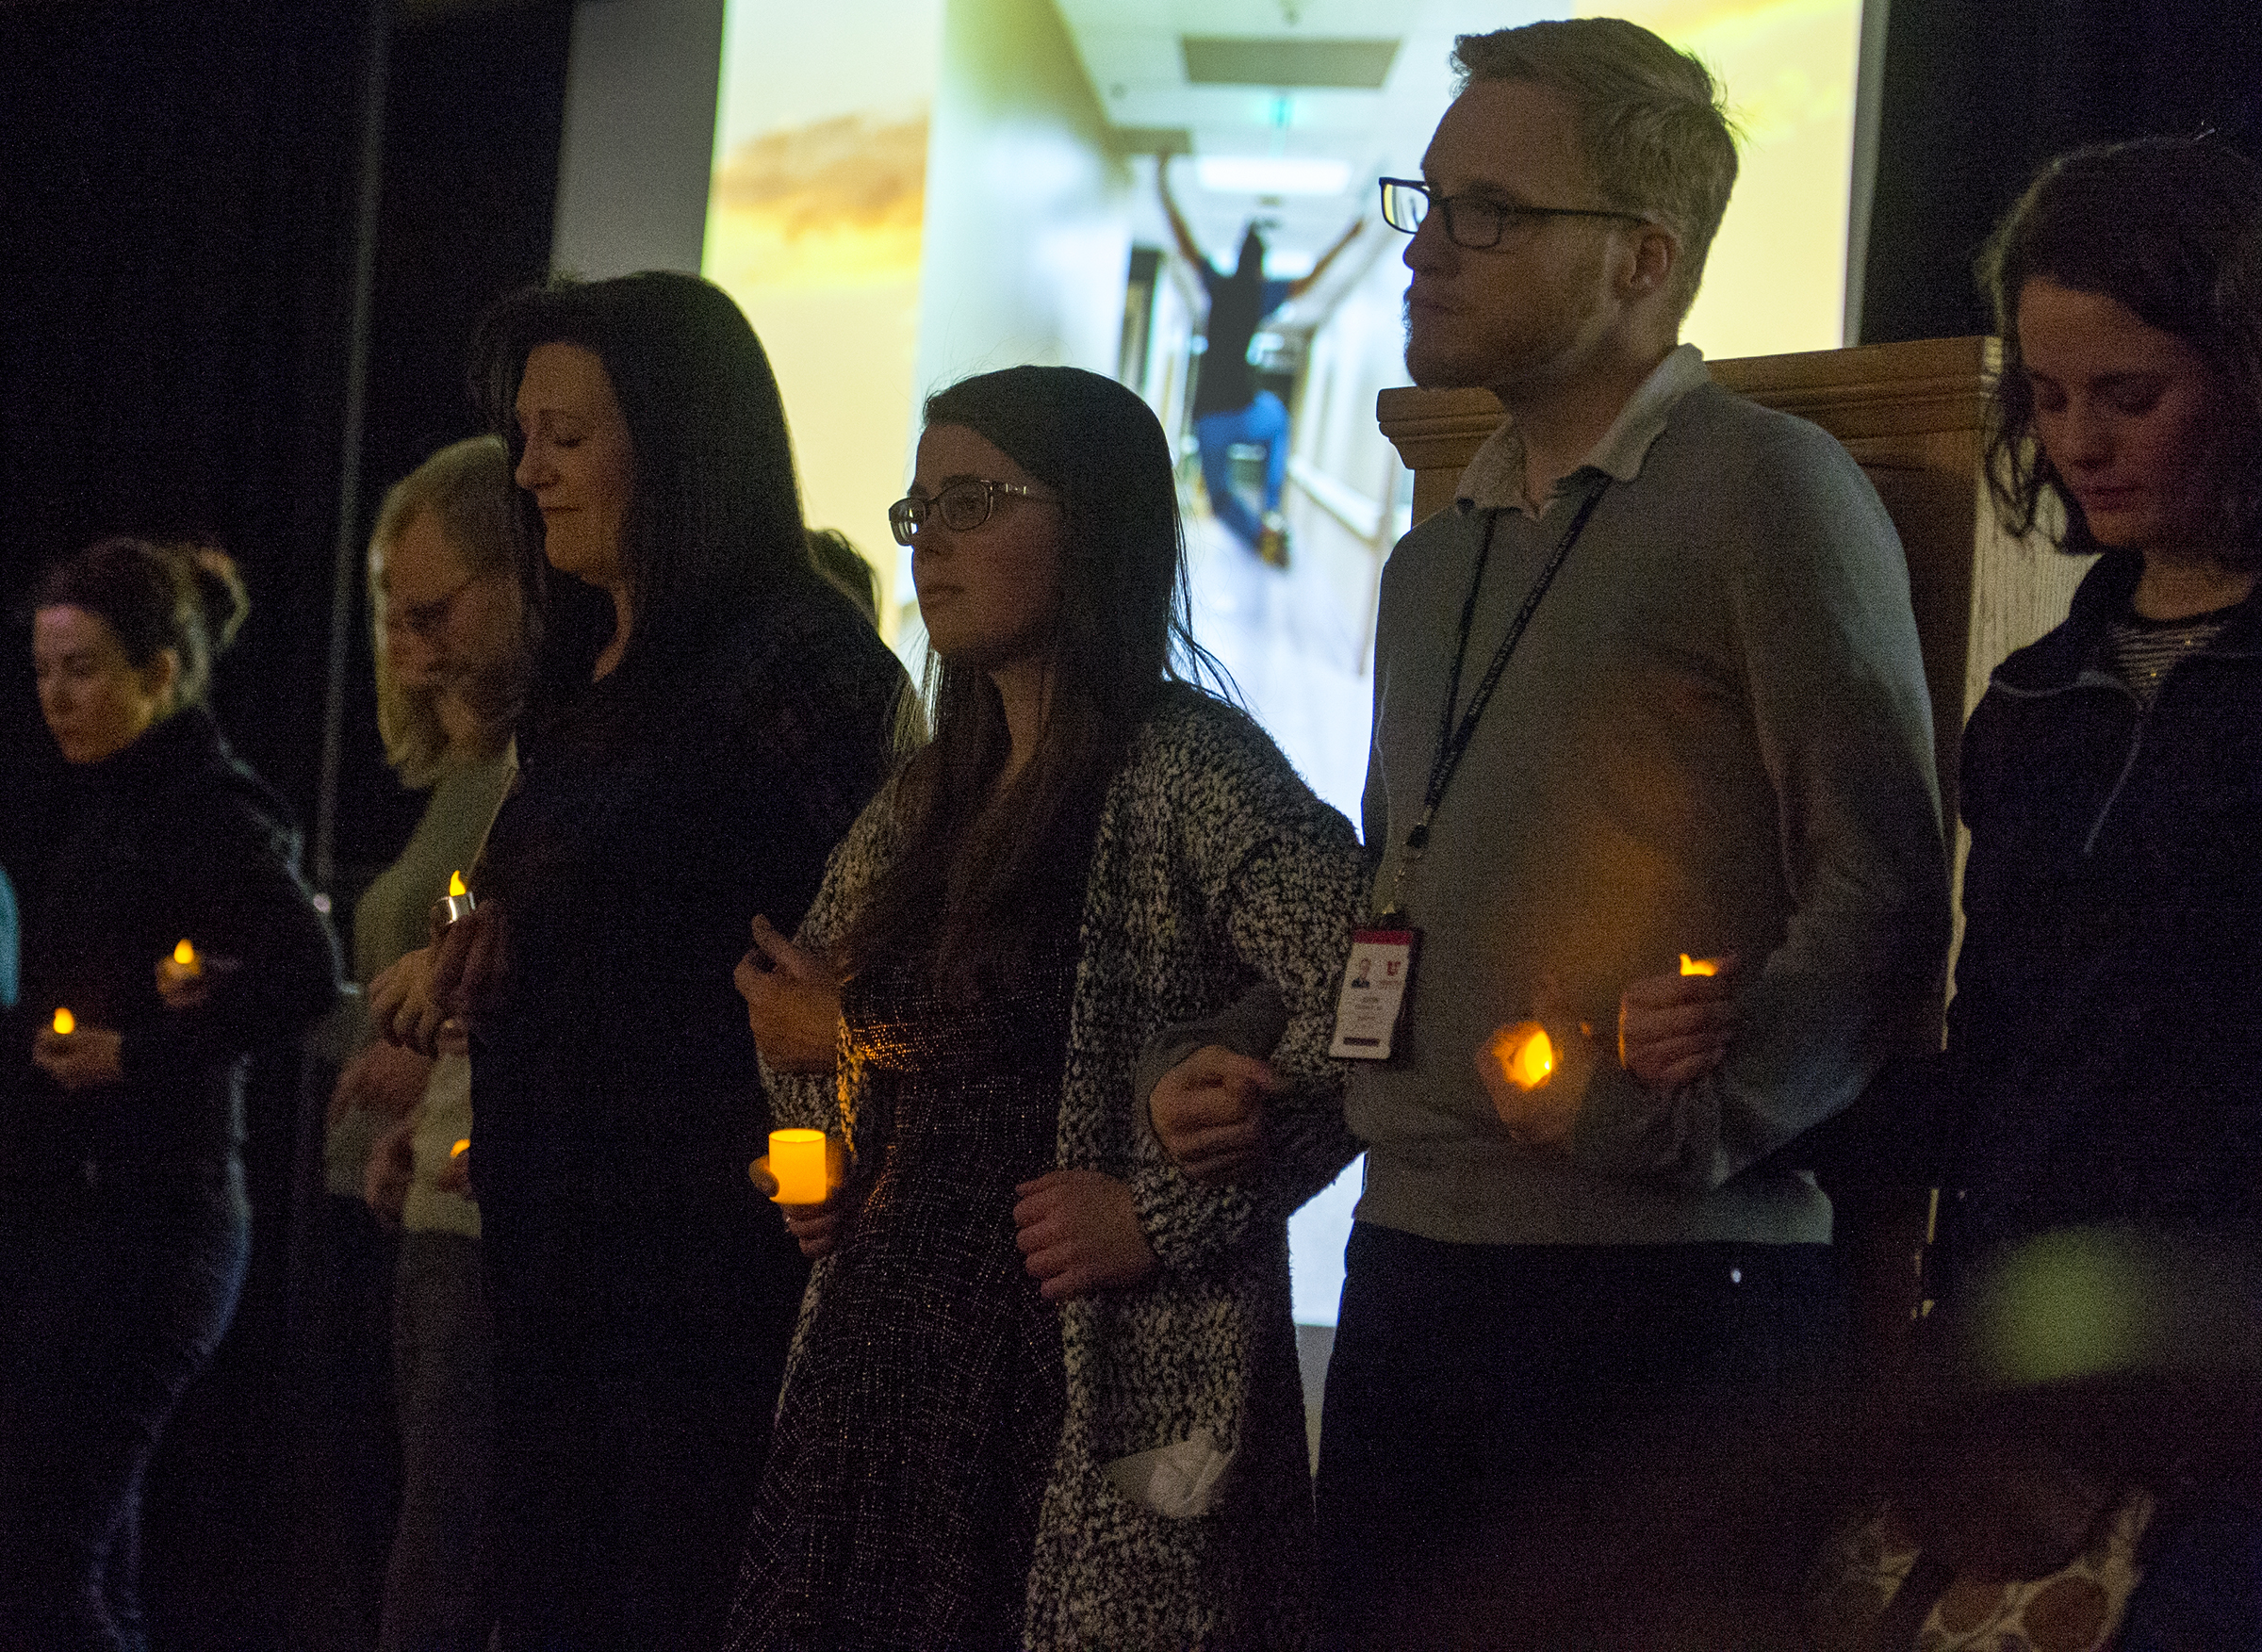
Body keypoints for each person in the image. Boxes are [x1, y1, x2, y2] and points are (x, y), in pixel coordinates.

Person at [1153, 19, 1949, 1644]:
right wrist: (1253, 1044)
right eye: (1427, 203)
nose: (1428, 250)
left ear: (1642, 257)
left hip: (1668, 1298)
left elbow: (1878, 878)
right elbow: (1406, 884)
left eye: (1488, 214)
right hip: (1414, 1258)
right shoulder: (1434, 554)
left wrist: (1703, 1117)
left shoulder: (1764, 490)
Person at [723, 365, 1367, 1649]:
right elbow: (809, 1017)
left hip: (1074, 1369)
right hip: (887, 1356)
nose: (933, 545)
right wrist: (823, 1138)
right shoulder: (923, 800)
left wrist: (1167, 1209)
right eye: (919, 513)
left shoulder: (1188, 767)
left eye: (975, 501)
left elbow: (1375, 992)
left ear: (1095, 524)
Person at [370, 271, 908, 1651]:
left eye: (564, 435)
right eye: (522, 433)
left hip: (712, 1277)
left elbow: (888, 946)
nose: (528, 471)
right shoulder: (581, 665)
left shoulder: (804, 663)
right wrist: (485, 945)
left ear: (675, 444)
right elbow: (590, 899)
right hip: (556, 1260)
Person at [1799, 134, 2262, 1650]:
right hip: (2027, 1373)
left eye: (2131, 396)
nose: (2081, 440)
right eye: (2050, 399)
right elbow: (2006, 1052)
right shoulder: (2039, 702)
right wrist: (1752, 1084)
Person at [0, 536, 340, 1652]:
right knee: (93, 1564)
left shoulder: (205, 804)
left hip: (157, 1222)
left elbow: (299, 970)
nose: (56, 695)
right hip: (95, 1215)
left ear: (160, 673)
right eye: (44, 669)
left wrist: (135, 1054)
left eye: (83, 668)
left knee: (42, 1564)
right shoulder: (103, 802)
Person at [348, 435, 528, 1652]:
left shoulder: (531, 773)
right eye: (393, 614)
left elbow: (494, 982)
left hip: (473, 1208)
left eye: (434, 610)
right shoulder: (465, 768)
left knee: (443, 1585)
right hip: (418, 1188)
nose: (409, 642)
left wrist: (442, 1078)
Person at [1158, 163, 1365, 567]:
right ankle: (1271, 510)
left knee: (1219, 501)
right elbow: (1309, 280)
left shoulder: (1218, 285)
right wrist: (1347, 237)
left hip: (1207, 418)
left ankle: (1257, 540)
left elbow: (1184, 241)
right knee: (1279, 422)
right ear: (1260, 267)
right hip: (1243, 408)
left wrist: (1163, 187)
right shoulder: (1259, 294)